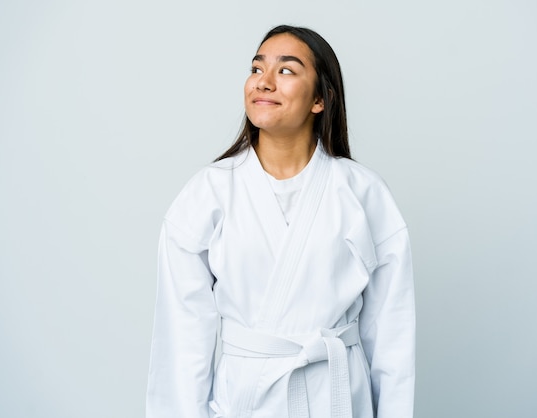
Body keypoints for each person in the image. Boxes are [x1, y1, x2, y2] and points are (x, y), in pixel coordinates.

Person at [146, 25, 415, 418]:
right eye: (257, 69)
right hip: (248, 401)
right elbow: (181, 341)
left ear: (320, 99)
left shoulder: (363, 194)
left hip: (336, 399)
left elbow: (392, 338)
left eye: (286, 71)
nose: (264, 82)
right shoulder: (207, 194)